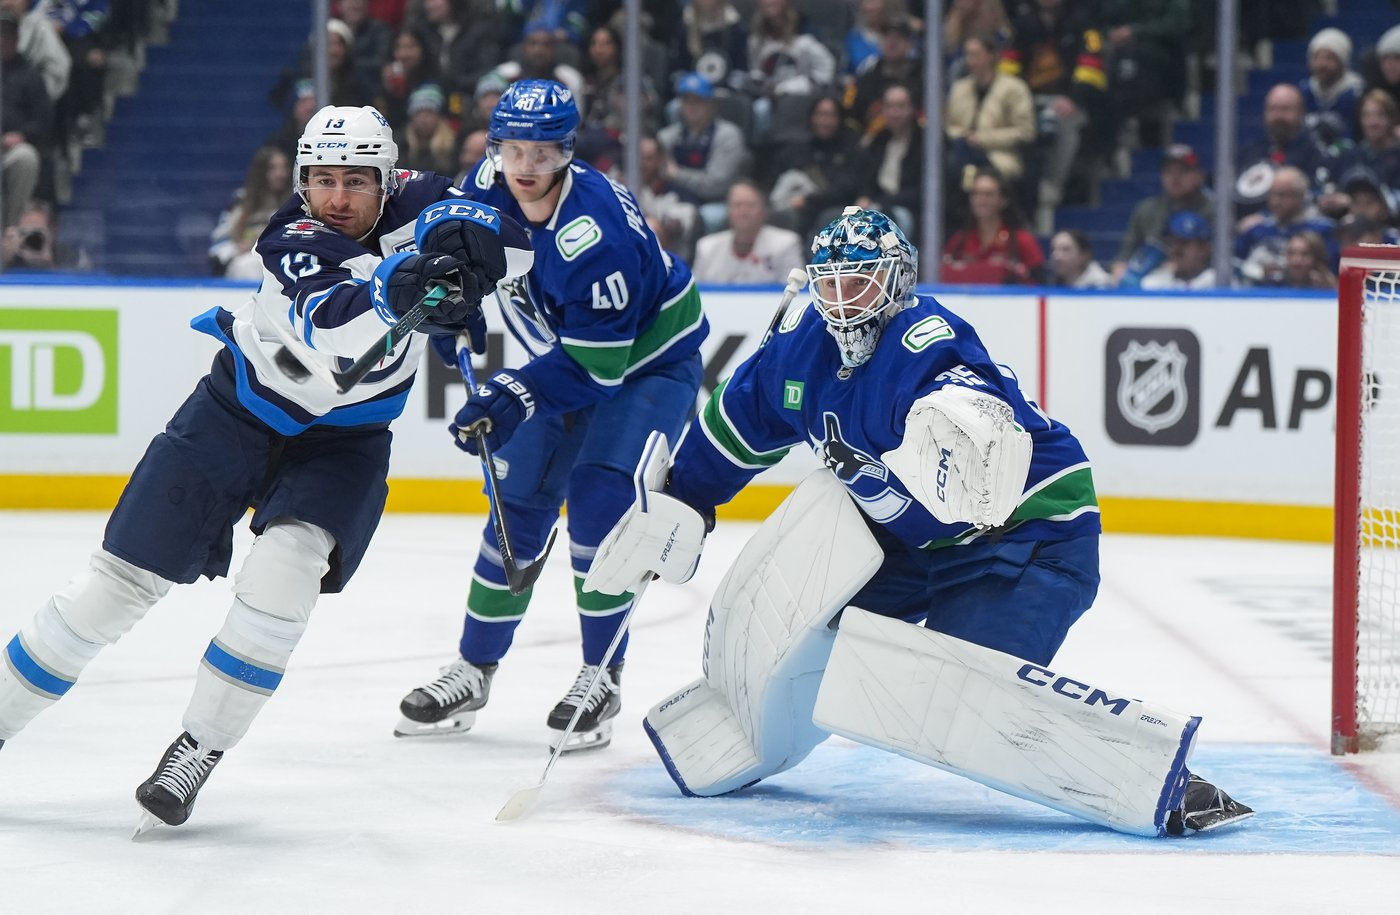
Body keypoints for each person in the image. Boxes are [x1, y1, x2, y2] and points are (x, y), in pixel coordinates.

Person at [582, 206, 1253, 838]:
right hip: (912, 538)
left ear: (896, 279)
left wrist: (960, 421)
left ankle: (1157, 779)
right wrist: (683, 501)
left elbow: (972, 399)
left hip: (1026, 535)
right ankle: (751, 724)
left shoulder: (925, 341)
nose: (843, 300)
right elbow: (734, 429)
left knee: (948, 699)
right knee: (811, 633)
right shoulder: (798, 350)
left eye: (860, 281)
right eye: (830, 282)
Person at [0, 104, 528, 832]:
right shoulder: (290, 238)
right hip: (234, 416)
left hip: (345, 443)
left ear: (386, 180)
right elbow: (337, 325)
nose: (336, 197)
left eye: (355, 181)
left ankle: (199, 747)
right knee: (112, 589)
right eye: (323, 180)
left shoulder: (423, 197)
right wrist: (407, 285)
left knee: (283, 582)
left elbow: (514, 237)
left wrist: (478, 247)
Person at [395, 80, 708, 753]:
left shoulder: (594, 238)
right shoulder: (486, 185)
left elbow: (597, 372)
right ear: (495, 148)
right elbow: (458, 257)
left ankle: (601, 676)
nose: (526, 166)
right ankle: (474, 669)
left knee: (598, 501)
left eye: (542, 152)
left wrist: (513, 393)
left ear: (567, 151)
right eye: (513, 149)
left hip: (650, 364)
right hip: (567, 352)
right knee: (516, 506)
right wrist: (452, 308)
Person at [1112, 143, 1214, 284]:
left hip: (1201, 282)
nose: (1175, 177)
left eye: (1183, 171)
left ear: (1199, 176)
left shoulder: (1214, 210)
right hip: (1152, 281)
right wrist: (1120, 273)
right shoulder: (1146, 209)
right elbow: (1124, 256)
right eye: (1169, 171)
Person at [940, 167, 1045, 285]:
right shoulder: (958, 242)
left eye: (988, 194)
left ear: (1003, 200)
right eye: (976, 194)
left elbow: (1039, 284)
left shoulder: (1022, 241)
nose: (981, 200)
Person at [692, 179, 806, 284]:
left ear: (764, 211)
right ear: (728, 211)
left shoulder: (786, 244)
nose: (743, 212)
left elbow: (794, 289)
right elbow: (696, 292)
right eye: (737, 205)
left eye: (750, 206)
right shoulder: (707, 247)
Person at [208, 144, 294, 279]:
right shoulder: (241, 201)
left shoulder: (296, 202)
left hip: (285, 260)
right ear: (260, 172)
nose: (280, 174)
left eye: (284, 168)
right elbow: (219, 244)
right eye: (273, 168)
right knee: (248, 264)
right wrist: (238, 248)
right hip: (247, 262)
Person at [1140, 210, 1217, 290]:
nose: (1176, 249)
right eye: (1173, 242)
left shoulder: (1217, 282)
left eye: (1184, 243)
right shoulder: (1154, 283)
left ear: (1204, 249)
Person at [1048, 229, 1112, 288]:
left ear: (1084, 255)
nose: (1056, 256)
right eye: (1053, 249)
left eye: (1065, 250)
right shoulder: (1052, 283)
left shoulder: (1102, 286)